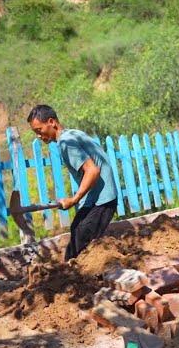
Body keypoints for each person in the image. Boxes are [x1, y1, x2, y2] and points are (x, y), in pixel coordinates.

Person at [27, 105, 118, 261]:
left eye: (39, 130)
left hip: (102, 200)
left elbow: (92, 171)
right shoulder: (72, 134)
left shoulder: (65, 143)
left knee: (81, 249)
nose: (39, 136)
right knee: (76, 237)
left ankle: (88, 280)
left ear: (51, 122)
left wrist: (74, 199)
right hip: (96, 199)